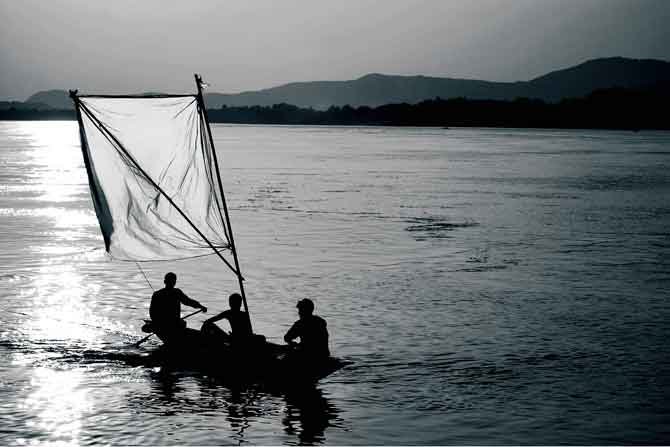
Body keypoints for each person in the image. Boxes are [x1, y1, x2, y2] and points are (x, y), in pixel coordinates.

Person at [149, 272, 207, 345]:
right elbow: (152, 312)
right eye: (171, 281)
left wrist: (200, 306)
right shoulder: (173, 293)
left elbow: (188, 301)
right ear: (165, 282)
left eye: (173, 281)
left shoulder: (173, 292)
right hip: (168, 325)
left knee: (181, 324)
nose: (172, 283)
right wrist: (158, 323)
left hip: (172, 324)